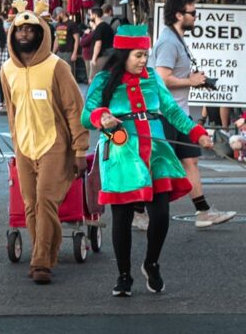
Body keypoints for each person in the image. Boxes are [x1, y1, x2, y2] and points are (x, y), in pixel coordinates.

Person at [82, 25, 215, 296]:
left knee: (161, 214)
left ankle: (151, 263)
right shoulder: (104, 79)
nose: (144, 60)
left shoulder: (153, 78)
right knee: (121, 216)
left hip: (156, 150)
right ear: (123, 55)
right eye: (139, 55)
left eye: (146, 55)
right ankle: (124, 275)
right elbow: (87, 114)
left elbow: (173, 112)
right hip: (122, 152)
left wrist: (197, 133)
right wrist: (102, 117)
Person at [0, 0, 88, 285]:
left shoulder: (56, 66)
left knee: (46, 202)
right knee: (30, 205)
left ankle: (41, 262)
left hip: (55, 146)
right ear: (12, 33)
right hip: (24, 147)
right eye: (19, 29)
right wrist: (16, 145)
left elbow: (75, 109)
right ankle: (46, 253)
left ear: (41, 33)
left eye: (30, 29)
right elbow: (11, 113)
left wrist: (80, 149)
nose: (24, 34)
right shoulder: (7, 70)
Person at [148, 0, 235, 229]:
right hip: (166, 115)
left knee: (191, 162)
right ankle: (138, 211)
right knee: (159, 165)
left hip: (179, 113)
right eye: (192, 13)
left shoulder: (177, 39)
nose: (196, 17)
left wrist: (196, 79)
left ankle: (203, 211)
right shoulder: (168, 42)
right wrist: (192, 81)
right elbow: (162, 79)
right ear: (179, 15)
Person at [89, 6, 114, 82]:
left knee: (94, 80)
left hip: (100, 57)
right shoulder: (107, 26)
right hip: (109, 55)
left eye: (90, 14)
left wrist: (94, 58)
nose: (90, 17)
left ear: (95, 15)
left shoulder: (99, 28)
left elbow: (98, 44)